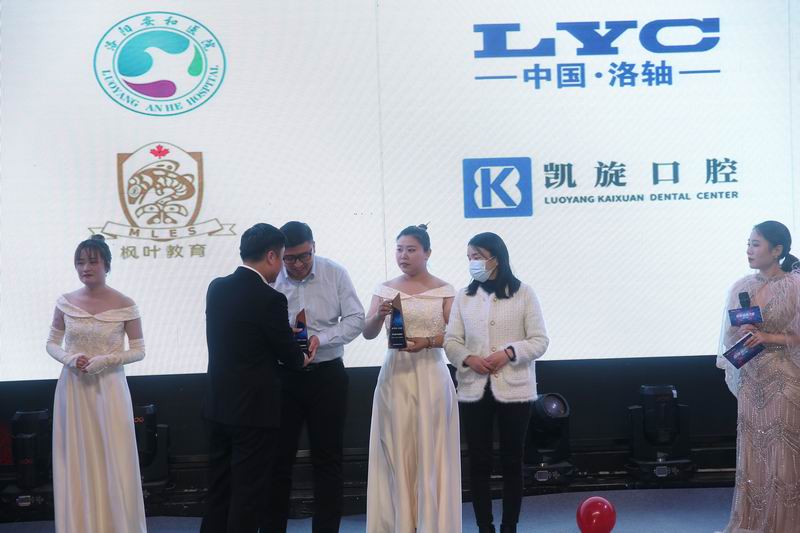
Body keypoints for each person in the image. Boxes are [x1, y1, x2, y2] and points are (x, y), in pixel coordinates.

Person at [201, 223, 308, 533]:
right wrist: (303, 355)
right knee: (247, 494)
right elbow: (290, 356)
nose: (283, 267)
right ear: (271, 256)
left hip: (218, 405)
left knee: (219, 489)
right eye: (283, 258)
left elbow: (242, 337)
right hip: (254, 412)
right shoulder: (270, 298)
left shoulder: (216, 287)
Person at [444, 232, 549, 533]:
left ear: (496, 258)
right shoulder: (464, 296)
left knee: (512, 461)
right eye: (469, 258)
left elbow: (540, 341)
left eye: (477, 257)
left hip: (515, 390)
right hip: (473, 389)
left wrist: (509, 352)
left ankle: (509, 526)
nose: (472, 263)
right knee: (479, 461)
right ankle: (484, 527)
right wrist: (468, 358)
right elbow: (451, 341)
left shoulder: (524, 293)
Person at [265, 221, 365, 533]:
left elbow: (356, 318)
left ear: (314, 247)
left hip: (327, 377)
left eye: (304, 256)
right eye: (290, 258)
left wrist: (322, 338)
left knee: (328, 459)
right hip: (284, 378)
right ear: (280, 255)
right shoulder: (270, 279)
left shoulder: (334, 273)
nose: (297, 264)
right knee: (278, 461)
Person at [363, 225, 461, 533]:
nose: (403, 255)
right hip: (396, 376)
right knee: (396, 447)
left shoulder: (445, 289)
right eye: (399, 249)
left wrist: (428, 342)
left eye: (411, 249)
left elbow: (457, 337)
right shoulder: (385, 288)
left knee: (431, 449)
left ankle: (432, 523)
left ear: (427, 253)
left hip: (431, 374)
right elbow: (367, 333)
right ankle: (400, 523)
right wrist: (378, 315)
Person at [46, 234, 147, 532]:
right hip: (74, 389)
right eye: (80, 262)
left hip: (110, 389)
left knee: (113, 455)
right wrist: (68, 358)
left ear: (107, 265)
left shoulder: (125, 304)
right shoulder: (65, 302)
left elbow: (139, 351)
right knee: (76, 458)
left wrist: (107, 359)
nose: (85, 268)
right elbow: (51, 343)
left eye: (92, 262)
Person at [717, 221, 800, 533]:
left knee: (782, 454)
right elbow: (729, 337)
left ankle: (784, 525)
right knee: (753, 453)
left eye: (756, 244)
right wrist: (743, 331)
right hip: (751, 380)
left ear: (777, 250)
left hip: (784, 378)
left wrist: (768, 337)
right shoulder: (741, 287)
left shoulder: (795, 286)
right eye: (748, 244)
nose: (749, 250)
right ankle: (751, 523)